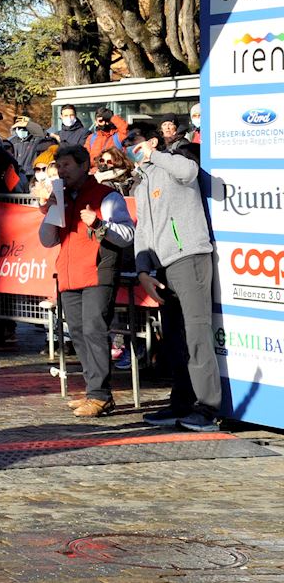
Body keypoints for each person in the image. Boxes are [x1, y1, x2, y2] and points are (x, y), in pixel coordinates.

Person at [127, 122, 220, 432]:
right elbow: (142, 230)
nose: (132, 147)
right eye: (129, 143)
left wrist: (155, 154)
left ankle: (207, 407)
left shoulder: (173, 162)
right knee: (176, 341)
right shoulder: (142, 183)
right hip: (162, 267)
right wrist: (142, 270)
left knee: (196, 335)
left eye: (137, 141)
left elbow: (190, 172)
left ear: (153, 142)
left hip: (190, 256)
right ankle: (181, 402)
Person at [37, 144, 135, 418]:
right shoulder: (62, 198)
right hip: (69, 275)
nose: (62, 171)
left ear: (83, 166)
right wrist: (53, 209)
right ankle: (94, 391)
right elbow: (47, 240)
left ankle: (100, 395)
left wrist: (100, 224)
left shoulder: (106, 196)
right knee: (78, 333)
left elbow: (128, 234)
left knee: (94, 331)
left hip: (98, 272)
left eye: (67, 165)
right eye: (59, 166)